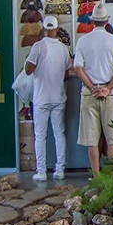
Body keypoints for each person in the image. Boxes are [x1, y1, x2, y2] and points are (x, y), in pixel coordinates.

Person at [74, 4, 113, 175]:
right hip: (109, 93)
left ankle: (96, 176)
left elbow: (78, 69)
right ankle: (111, 178)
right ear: (106, 21)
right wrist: (108, 87)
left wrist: (92, 88)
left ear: (92, 21)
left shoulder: (83, 41)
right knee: (112, 140)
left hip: (89, 93)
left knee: (92, 140)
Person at [25, 16, 72, 181]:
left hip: (41, 98)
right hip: (58, 97)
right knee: (59, 133)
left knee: (40, 135)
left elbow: (28, 70)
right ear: (57, 30)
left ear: (43, 29)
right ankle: (60, 169)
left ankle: (41, 171)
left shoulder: (38, 47)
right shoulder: (63, 48)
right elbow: (67, 73)